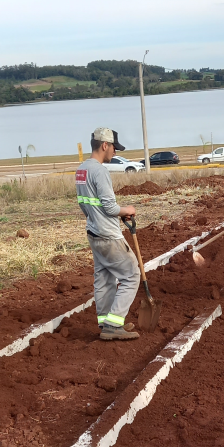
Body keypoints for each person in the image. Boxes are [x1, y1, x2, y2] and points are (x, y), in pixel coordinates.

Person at [75, 127, 140, 341]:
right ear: (105, 145)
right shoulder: (100, 171)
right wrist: (127, 210)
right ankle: (114, 324)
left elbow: (87, 206)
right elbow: (110, 207)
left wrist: (102, 216)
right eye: (113, 147)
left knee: (104, 278)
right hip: (108, 235)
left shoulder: (82, 170)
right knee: (131, 274)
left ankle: (106, 322)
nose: (115, 152)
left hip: (93, 231)